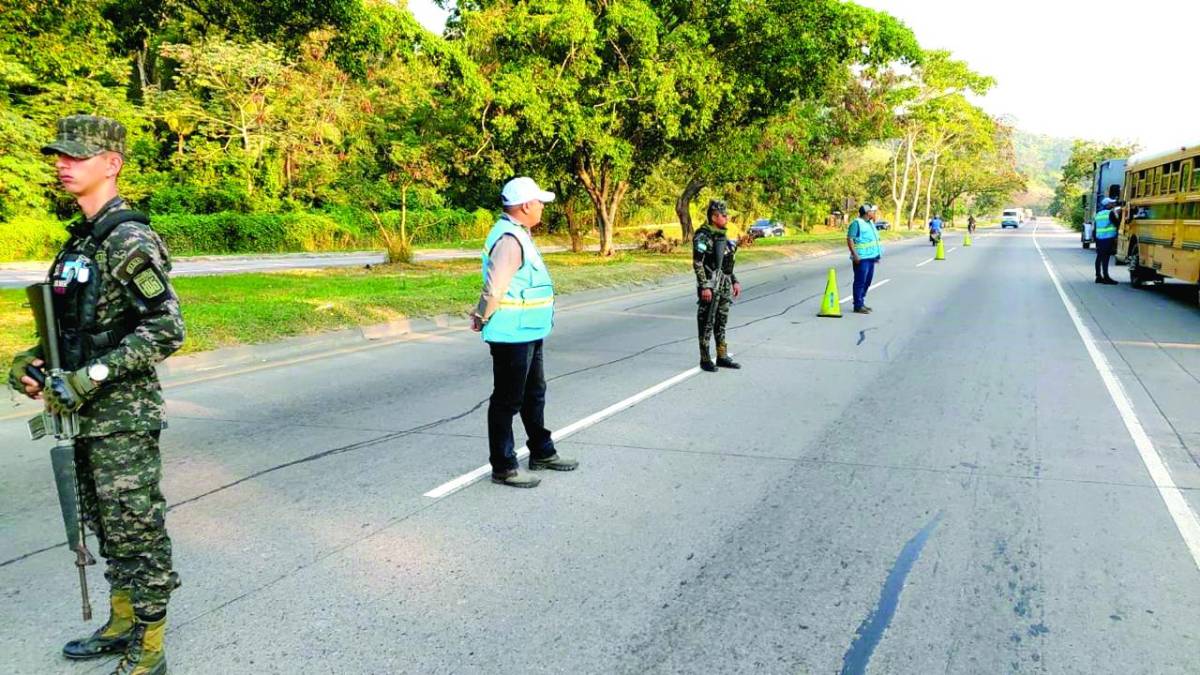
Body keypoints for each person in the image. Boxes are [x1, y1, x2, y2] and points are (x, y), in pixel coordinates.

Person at [8, 115, 185, 675]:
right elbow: (76, 328)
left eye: (76, 156)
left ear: (112, 164)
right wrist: (32, 362)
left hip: (121, 417)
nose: (63, 165)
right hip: (80, 414)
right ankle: (122, 619)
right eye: (59, 156)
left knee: (135, 526)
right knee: (104, 524)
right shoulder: (80, 241)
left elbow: (166, 327)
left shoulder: (128, 238)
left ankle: (150, 646)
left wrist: (90, 378)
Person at [470, 177, 578, 488]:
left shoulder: (519, 234)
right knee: (507, 400)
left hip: (527, 330)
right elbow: (495, 287)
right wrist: (481, 315)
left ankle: (542, 451)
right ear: (526, 205)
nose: (542, 207)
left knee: (534, 394)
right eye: (539, 202)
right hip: (511, 334)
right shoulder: (509, 239)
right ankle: (504, 466)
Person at [693, 199, 742, 372]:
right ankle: (705, 359)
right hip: (710, 284)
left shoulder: (722, 235)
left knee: (721, 321)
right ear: (714, 217)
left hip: (724, 284)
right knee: (707, 321)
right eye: (723, 215)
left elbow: (725, 263)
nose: (727, 218)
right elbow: (698, 262)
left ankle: (722, 356)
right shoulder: (703, 235)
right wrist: (705, 286)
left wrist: (734, 280)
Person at [846, 204, 883, 314]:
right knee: (860, 281)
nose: (874, 213)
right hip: (861, 258)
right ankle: (858, 305)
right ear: (867, 213)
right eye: (872, 211)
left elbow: (873, 240)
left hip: (870, 257)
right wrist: (855, 254)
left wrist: (876, 255)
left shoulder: (870, 223)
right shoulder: (857, 223)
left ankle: (861, 302)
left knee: (867, 281)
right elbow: (850, 239)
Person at [1094, 197, 1119, 284]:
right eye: (1111, 203)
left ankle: (1098, 276)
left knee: (1099, 257)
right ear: (1107, 205)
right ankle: (1106, 277)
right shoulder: (1110, 213)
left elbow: (1095, 228)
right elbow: (1117, 223)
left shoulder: (1098, 214)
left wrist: (1096, 239)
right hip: (1108, 238)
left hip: (1099, 238)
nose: (1113, 204)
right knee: (1106, 258)